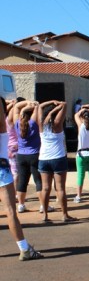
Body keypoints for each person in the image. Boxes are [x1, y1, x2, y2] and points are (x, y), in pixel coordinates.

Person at [0, 97, 43, 261]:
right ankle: (24, 248)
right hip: (2, 169)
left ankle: (25, 249)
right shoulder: (3, 125)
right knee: (10, 211)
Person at [38, 100, 76, 222]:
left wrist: (50, 103)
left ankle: (45, 215)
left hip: (43, 158)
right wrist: (56, 107)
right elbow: (64, 104)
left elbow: (39, 106)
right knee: (60, 188)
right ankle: (64, 215)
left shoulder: (41, 124)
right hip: (58, 158)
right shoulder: (57, 124)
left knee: (45, 188)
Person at [13, 100, 48, 213]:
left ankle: (21, 205)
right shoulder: (34, 124)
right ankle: (43, 206)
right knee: (38, 181)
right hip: (34, 155)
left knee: (22, 181)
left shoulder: (17, 123)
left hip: (21, 155)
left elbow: (16, 108)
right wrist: (36, 105)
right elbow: (38, 113)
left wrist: (27, 104)